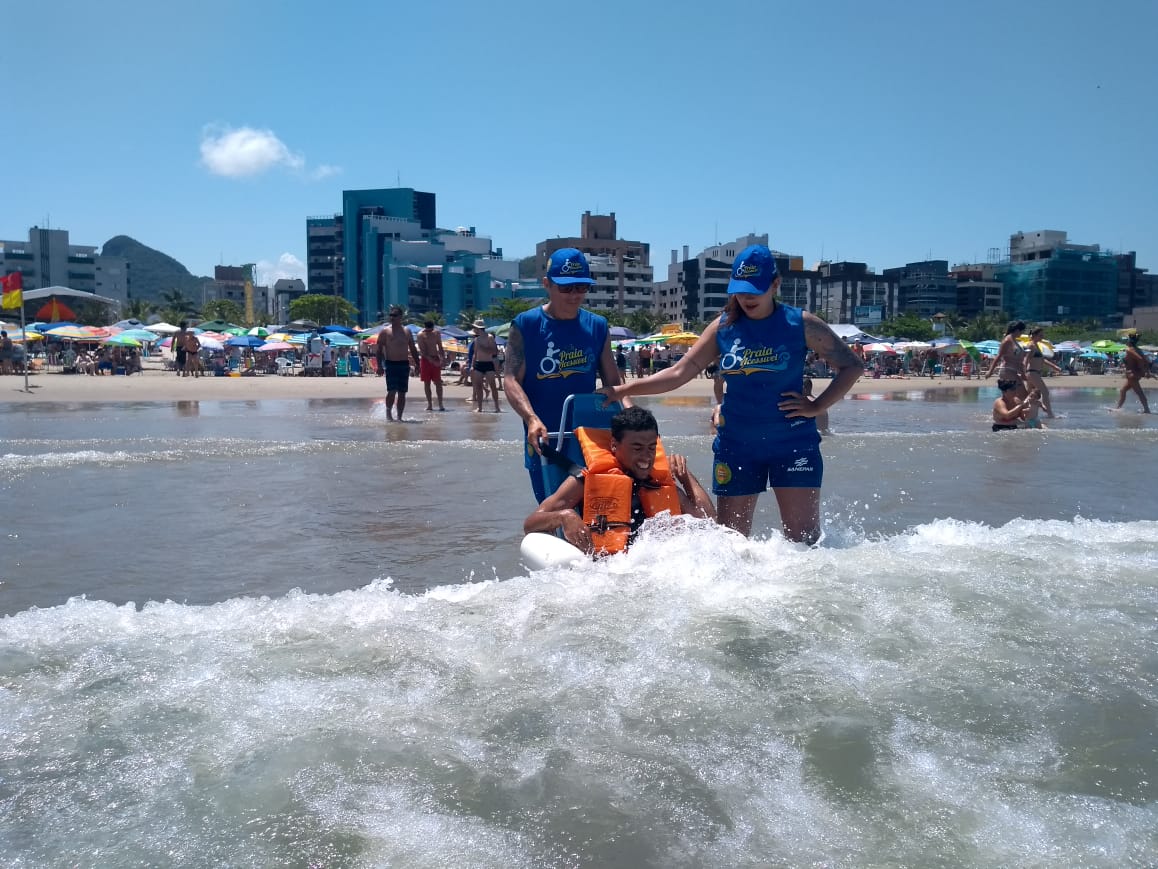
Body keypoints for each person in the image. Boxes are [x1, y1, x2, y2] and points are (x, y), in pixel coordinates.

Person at [600, 244, 863, 544]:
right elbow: (678, 373)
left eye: (755, 288)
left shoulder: (800, 324)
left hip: (793, 443)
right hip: (737, 446)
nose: (747, 296)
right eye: (740, 289)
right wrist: (624, 389)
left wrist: (817, 406)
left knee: (804, 542)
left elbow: (852, 366)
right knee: (731, 545)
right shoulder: (724, 327)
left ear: (775, 284)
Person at [504, 247, 626, 503]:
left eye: (581, 287)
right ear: (547, 284)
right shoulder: (526, 324)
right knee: (552, 508)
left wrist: (635, 421)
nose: (574, 295)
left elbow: (614, 383)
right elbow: (511, 380)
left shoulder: (597, 326)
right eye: (566, 288)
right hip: (544, 437)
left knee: (597, 512)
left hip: (589, 436)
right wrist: (531, 418)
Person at [524, 406, 715, 555]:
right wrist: (563, 516)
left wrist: (686, 476)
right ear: (614, 445)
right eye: (637, 448)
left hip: (656, 568)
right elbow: (531, 523)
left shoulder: (659, 481)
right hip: (606, 569)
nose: (646, 458)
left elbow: (709, 522)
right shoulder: (585, 480)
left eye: (651, 448)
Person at [374, 306, 421, 421]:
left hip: (404, 365)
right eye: (390, 315)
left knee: (402, 393)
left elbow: (413, 349)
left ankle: (399, 417)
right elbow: (379, 350)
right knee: (391, 391)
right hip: (391, 364)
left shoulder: (407, 331)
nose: (392, 317)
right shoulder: (385, 332)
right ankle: (388, 414)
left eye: (394, 315)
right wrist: (379, 366)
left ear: (400, 317)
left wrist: (418, 364)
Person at [1025, 326, 1062, 417]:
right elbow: (1026, 359)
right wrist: (1022, 373)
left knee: (1030, 395)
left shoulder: (1037, 345)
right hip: (1032, 372)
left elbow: (1042, 360)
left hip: (1034, 373)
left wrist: (1054, 367)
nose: (1042, 337)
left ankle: (1025, 412)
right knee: (1045, 392)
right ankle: (1049, 414)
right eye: (1040, 335)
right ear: (1034, 335)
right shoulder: (1031, 345)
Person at [984, 320, 1028, 398]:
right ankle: (1001, 409)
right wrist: (990, 371)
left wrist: (1023, 373)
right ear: (1017, 330)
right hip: (1007, 370)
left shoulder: (1014, 340)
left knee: (1015, 397)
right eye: (1022, 331)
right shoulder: (1007, 340)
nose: (1022, 333)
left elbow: (1018, 359)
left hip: (1013, 371)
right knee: (1022, 395)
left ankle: (1004, 409)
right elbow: (998, 356)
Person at [470, 319, 502, 413]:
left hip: (488, 363)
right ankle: (480, 407)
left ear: (478, 328)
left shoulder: (490, 337)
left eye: (474, 328)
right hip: (478, 364)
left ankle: (497, 407)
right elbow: (475, 354)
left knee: (492, 386)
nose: (473, 329)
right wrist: (472, 365)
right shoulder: (476, 339)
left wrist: (483, 348)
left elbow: (494, 351)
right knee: (478, 386)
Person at [1116, 332, 1152, 413]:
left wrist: (1143, 371)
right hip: (1134, 374)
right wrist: (1146, 372)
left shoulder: (1129, 350)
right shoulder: (1138, 349)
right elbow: (1146, 360)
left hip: (1132, 374)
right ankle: (1118, 408)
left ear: (1129, 341)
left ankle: (1147, 410)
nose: (1125, 342)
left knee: (1139, 392)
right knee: (1123, 390)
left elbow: (1140, 359)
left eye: (1126, 341)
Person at [415, 320, 447, 411]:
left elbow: (440, 347)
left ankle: (440, 403)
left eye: (431, 330)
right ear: (425, 327)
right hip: (426, 360)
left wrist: (442, 359)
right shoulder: (421, 335)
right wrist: (432, 361)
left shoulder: (436, 333)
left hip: (436, 358)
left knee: (438, 382)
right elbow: (423, 351)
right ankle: (430, 404)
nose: (429, 332)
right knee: (427, 383)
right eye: (428, 330)